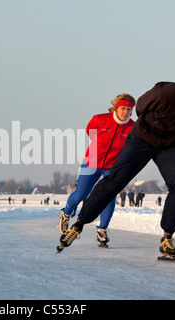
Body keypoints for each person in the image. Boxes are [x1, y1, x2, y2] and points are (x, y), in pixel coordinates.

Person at [60, 64, 175, 259]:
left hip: (170, 145)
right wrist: (153, 127)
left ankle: (167, 237)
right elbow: (142, 106)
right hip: (143, 138)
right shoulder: (164, 92)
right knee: (115, 180)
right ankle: (80, 224)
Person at [58, 93, 136, 246]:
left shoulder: (132, 127)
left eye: (128, 109)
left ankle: (102, 229)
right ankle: (66, 213)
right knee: (81, 194)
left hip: (113, 167)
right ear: (116, 107)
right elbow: (90, 132)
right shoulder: (100, 119)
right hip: (92, 162)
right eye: (123, 108)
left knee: (109, 197)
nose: (125, 112)